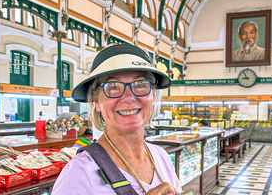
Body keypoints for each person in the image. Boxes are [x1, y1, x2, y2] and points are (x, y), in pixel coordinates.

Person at [52, 44, 181, 195]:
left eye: (140, 84)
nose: (128, 97)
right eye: (113, 86)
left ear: (153, 97)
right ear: (97, 102)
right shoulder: (79, 173)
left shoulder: (161, 157)